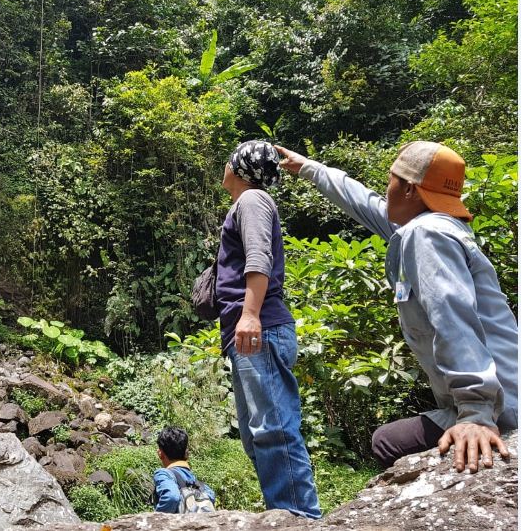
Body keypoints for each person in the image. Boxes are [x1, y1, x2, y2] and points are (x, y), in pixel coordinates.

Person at [275, 141, 517, 473]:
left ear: (408, 189)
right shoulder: (433, 225)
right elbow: (365, 203)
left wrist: (476, 414)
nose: (385, 188)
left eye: (390, 178)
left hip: (497, 407)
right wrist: (309, 168)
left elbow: (454, 316)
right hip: (502, 395)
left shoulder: (427, 235)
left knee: (387, 442)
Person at [215, 140, 321, 519]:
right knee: (256, 435)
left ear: (240, 168)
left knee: (273, 429)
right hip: (248, 333)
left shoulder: (251, 201)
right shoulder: (246, 204)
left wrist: (250, 315)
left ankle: (299, 519)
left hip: (261, 328)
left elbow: (259, 257)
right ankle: (283, 514)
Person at [152, 426, 215, 513]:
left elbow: (171, 497)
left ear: (160, 454)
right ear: (186, 453)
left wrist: (156, 520)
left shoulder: (163, 474)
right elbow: (211, 496)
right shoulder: (195, 480)